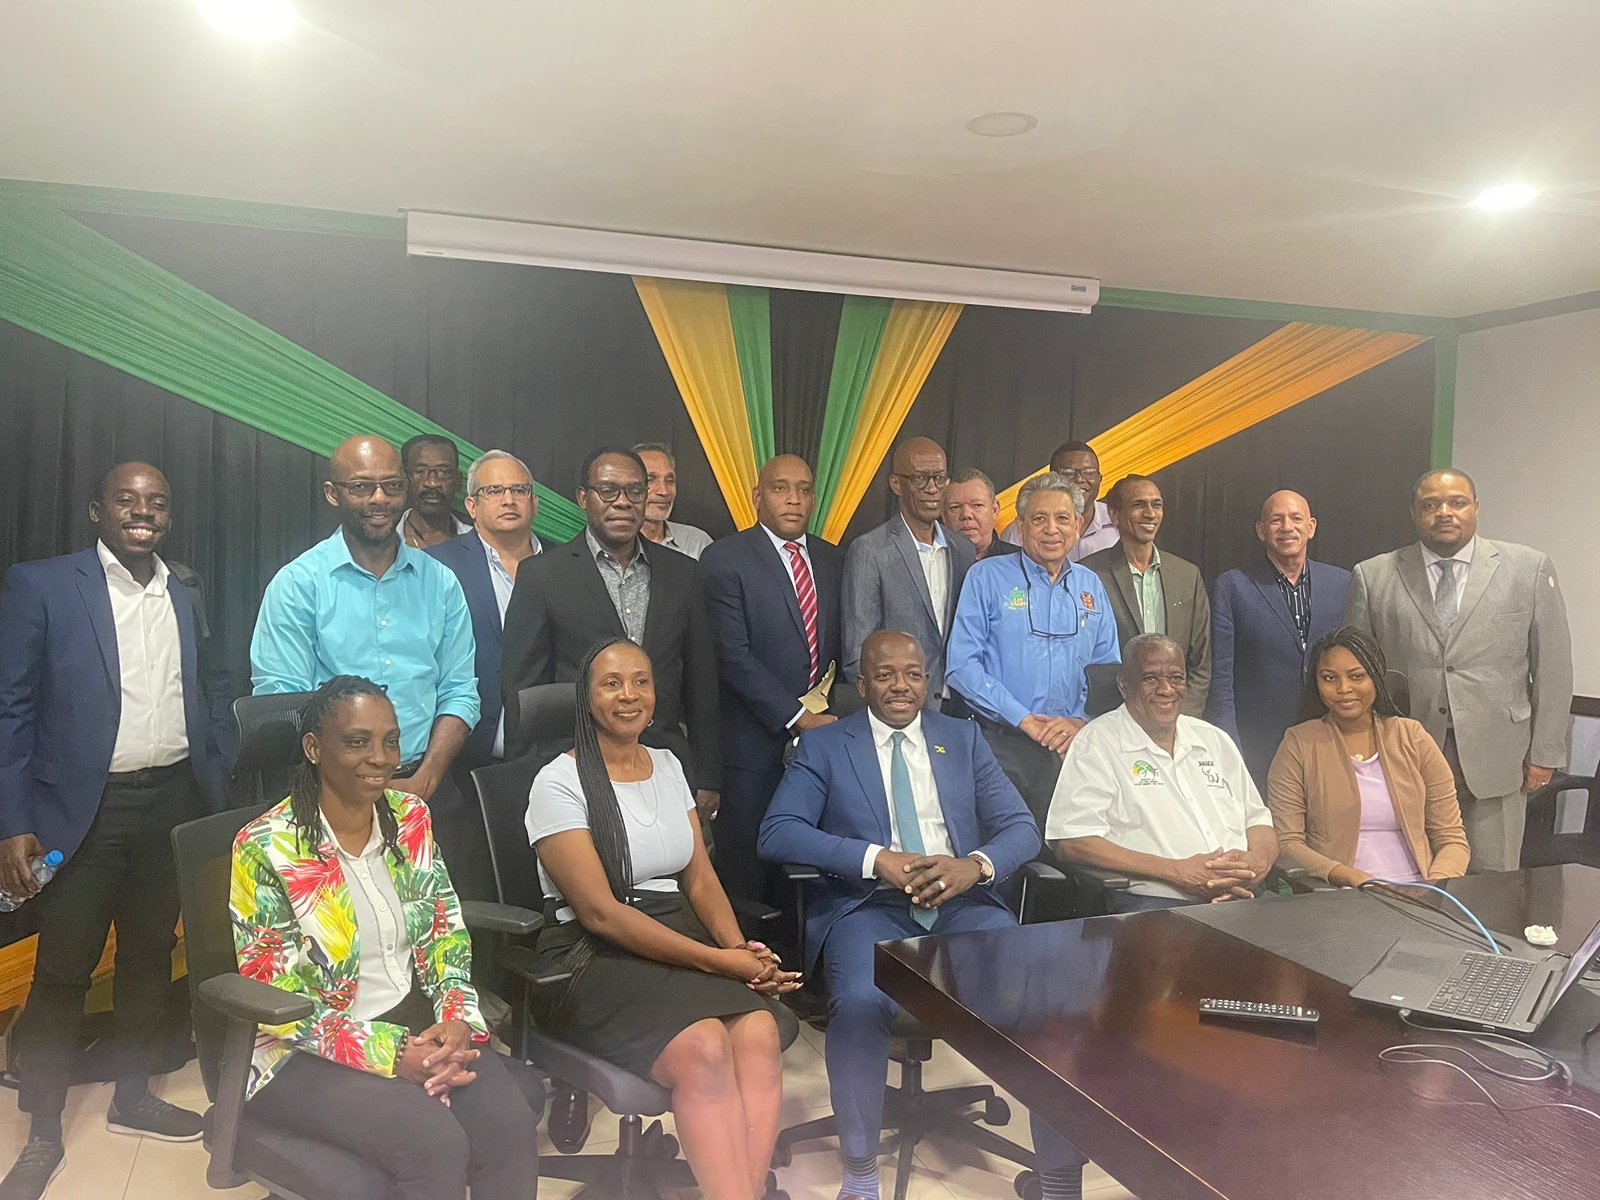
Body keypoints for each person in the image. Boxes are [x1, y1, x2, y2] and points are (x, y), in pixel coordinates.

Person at [758, 631, 1085, 1200]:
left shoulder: (963, 738)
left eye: (912, 674)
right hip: (868, 907)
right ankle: (860, 1174)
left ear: (926, 682)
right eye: (885, 675)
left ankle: (1058, 1177)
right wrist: (874, 858)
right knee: (860, 1005)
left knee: (1044, 1000)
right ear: (862, 685)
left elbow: (1022, 829)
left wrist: (974, 866)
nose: (900, 686)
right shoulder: (827, 745)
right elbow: (778, 831)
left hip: (965, 908)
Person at [0, 463, 235, 1200]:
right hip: (83, 811)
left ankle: (134, 1094)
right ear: (98, 511)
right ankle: (41, 1128)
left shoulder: (186, 586)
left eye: (157, 503)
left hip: (172, 801)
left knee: (147, 957)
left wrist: (217, 770)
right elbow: (10, 708)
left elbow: (212, 682)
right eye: (128, 501)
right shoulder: (42, 584)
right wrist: (13, 823)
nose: (143, 513)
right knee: (63, 971)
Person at [233, 677, 540, 1200]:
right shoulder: (267, 846)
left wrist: (457, 1021)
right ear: (314, 748)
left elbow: (444, 931)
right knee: (432, 1143)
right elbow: (277, 999)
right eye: (357, 741)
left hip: (416, 1022)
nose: (380, 758)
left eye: (391, 741)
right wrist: (392, 1054)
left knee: (508, 1123)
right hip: (306, 1049)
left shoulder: (411, 818)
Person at [527, 639, 795, 1200]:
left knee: (760, 1032)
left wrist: (741, 953)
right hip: (592, 954)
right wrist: (720, 961)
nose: (629, 695)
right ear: (585, 695)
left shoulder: (670, 765)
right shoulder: (558, 783)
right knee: (703, 1047)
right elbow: (601, 914)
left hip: (678, 935)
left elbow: (698, 878)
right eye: (612, 683)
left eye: (641, 681)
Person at [250, 435, 487, 898]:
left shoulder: (440, 583)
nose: (379, 500)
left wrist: (427, 778)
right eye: (361, 487)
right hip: (329, 801)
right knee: (347, 946)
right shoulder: (299, 584)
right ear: (333, 493)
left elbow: (461, 690)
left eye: (391, 486)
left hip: (430, 788)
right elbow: (284, 704)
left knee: (446, 941)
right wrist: (356, 788)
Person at [1344, 469, 1572, 872]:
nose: (1444, 512)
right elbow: (1357, 673)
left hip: (1499, 759)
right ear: (1414, 514)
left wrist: (1545, 754)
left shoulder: (1528, 568)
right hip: (1405, 754)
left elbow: (1553, 669)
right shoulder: (1373, 575)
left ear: (1476, 508)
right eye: (1430, 505)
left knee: (1493, 883)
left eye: (1457, 502)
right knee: (1411, 876)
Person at [501, 446, 721, 813]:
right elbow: (522, 689)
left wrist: (708, 776)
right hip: (576, 766)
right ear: (583, 498)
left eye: (635, 491)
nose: (623, 502)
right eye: (608, 491)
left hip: (665, 764)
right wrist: (527, 776)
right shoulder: (542, 576)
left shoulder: (684, 574)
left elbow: (702, 682)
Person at [699, 454, 843, 903]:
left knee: (806, 876)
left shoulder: (834, 559)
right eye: (781, 489)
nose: (794, 500)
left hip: (822, 746)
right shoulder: (725, 557)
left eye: (804, 490)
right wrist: (798, 717)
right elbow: (733, 655)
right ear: (757, 496)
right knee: (747, 877)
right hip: (752, 749)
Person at [1047, 634, 1278, 911]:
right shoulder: (1097, 743)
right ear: (1124, 684)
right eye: (1150, 679)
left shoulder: (1214, 739)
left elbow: (1258, 819)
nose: (1166, 689)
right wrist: (1176, 872)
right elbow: (1073, 841)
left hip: (1243, 897)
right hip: (1157, 904)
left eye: (1176, 678)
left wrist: (1259, 863)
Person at [947, 472, 1120, 823]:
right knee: (1005, 853)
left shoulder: (1092, 585)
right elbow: (961, 667)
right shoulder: (986, 577)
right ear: (1021, 526)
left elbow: (1109, 670)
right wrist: (1024, 720)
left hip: (1073, 747)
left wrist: (1078, 721)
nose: (1051, 529)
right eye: (1039, 519)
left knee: (1066, 858)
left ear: (1079, 526)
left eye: (1062, 519)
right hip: (1001, 743)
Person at [1268, 626, 1470, 887]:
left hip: (1421, 892)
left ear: (1376, 677)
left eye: (1356, 676)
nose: (1343, 688)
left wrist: (1435, 889)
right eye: (1329, 678)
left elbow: (1452, 839)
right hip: (1341, 895)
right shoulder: (1298, 743)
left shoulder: (1413, 737)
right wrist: (1349, 877)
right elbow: (1287, 843)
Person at [1208, 490, 1351, 787]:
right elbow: (1221, 677)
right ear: (1261, 530)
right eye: (1276, 520)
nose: (1287, 527)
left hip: (1328, 737)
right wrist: (1229, 746)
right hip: (1258, 745)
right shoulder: (1233, 586)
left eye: (1296, 518)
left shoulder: (1342, 583)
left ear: (1311, 527)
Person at [427, 450, 544, 771]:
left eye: (519, 490)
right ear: (471, 506)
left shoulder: (565, 565)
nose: (508, 500)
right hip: (463, 754)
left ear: (534, 503)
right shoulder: (437, 565)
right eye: (494, 491)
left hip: (547, 751)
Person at [841, 436, 974, 704]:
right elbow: (859, 654)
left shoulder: (963, 549)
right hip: (899, 709)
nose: (932, 488)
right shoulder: (871, 550)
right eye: (920, 479)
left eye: (939, 478)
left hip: (959, 708)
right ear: (896, 484)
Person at [1080, 474, 1211, 715]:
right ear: (1114, 515)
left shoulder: (1187, 575)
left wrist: (1182, 718)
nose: (1150, 513)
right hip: (1111, 718)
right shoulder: (1089, 574)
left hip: (1175, 718)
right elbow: (1081, 656)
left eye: (1156, 504)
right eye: (1138, 505)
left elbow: (1201, 663)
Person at [998, 440, 1120, 562]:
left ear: (1100, 478)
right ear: (1052, 477)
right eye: (1068, 472)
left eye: (1089, 472)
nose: (1079, 479)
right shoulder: (1023, 528)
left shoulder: (1118, 520)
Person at [635, 442, 714, 559]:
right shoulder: (611, 544)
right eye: (651, 479)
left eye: (670, 480)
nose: (664, 491)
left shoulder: (697, 542)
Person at [399, 434, 472, 550]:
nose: (432, 483)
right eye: (420, 472)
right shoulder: (383, 540)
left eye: (444, 472)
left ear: (458, 481)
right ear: (404, 479)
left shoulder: (479, 542)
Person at [942, 467, 1020, 562]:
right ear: (944, 516)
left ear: (994, 510)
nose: (966, 514)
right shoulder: (933, 563)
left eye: (977, 505)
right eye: (955, 507)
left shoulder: (1020, 563)